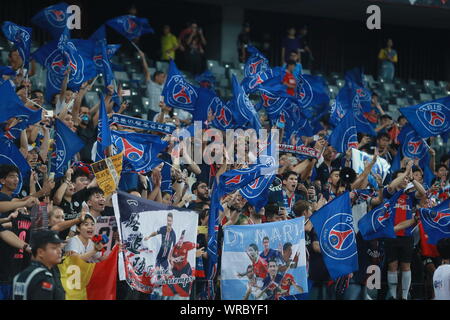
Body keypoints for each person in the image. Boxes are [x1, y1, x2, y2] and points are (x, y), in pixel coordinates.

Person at [383, 161, 426, 300]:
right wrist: (405, 174)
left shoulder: (411, 196)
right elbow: (391, 186)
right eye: (402, 177)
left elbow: (423, 192)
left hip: (406, 235)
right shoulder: (390, 194)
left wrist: (412, 178)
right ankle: (393, 295)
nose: (404, 180)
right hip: (391, 234)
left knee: (406, 266)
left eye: (406, 178)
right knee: (392, 266)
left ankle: (405, 295)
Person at [12, 230, 65, 300]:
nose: (60, 251)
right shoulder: (43, 277)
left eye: (60, 247)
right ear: (40, 252)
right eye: (54, 248)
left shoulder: (20, 275)